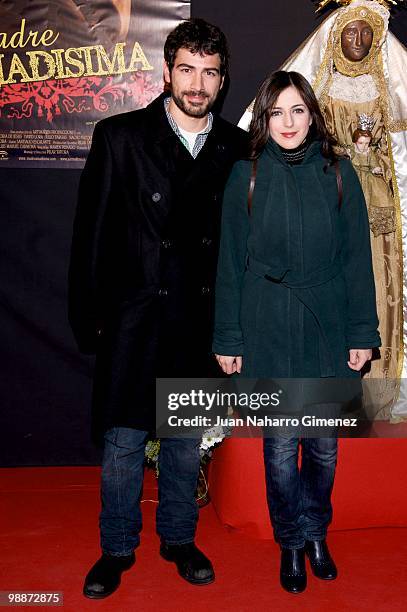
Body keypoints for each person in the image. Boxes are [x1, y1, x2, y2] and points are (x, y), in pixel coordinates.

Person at [68, 18, 247, 599]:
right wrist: (89, 315)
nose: (197, 85)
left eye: (210, 74)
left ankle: (177, 537)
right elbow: (90, 234)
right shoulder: (119, 136)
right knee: (122, 441)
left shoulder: (236, 149)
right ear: (166, 71)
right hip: (135, 316)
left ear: (222, 82)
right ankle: (117, 547)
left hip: (196, 319)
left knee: (182, 441)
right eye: (187, 70)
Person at [213, 70, 380, 594]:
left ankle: (315, 534)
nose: (288, 122)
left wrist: (362, 332)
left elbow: (357, 260)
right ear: (264, 119)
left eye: (298, 110)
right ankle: (290, 540)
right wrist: (229, 339)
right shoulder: (247, 175)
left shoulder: (339, 173)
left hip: (327, 325)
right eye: (276, 112)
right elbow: (229, 265)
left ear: (313, 115)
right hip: (267, 324)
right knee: (282, 446)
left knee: (324, 447)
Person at [239, 0, 407, 419]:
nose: (359, 40)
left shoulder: (392, 91)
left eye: (367, 33)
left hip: (381, 208)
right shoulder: (320, 96)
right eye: (350, 31)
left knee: (377, 282)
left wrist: (374, 162)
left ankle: (381, 387)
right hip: (329, 202)